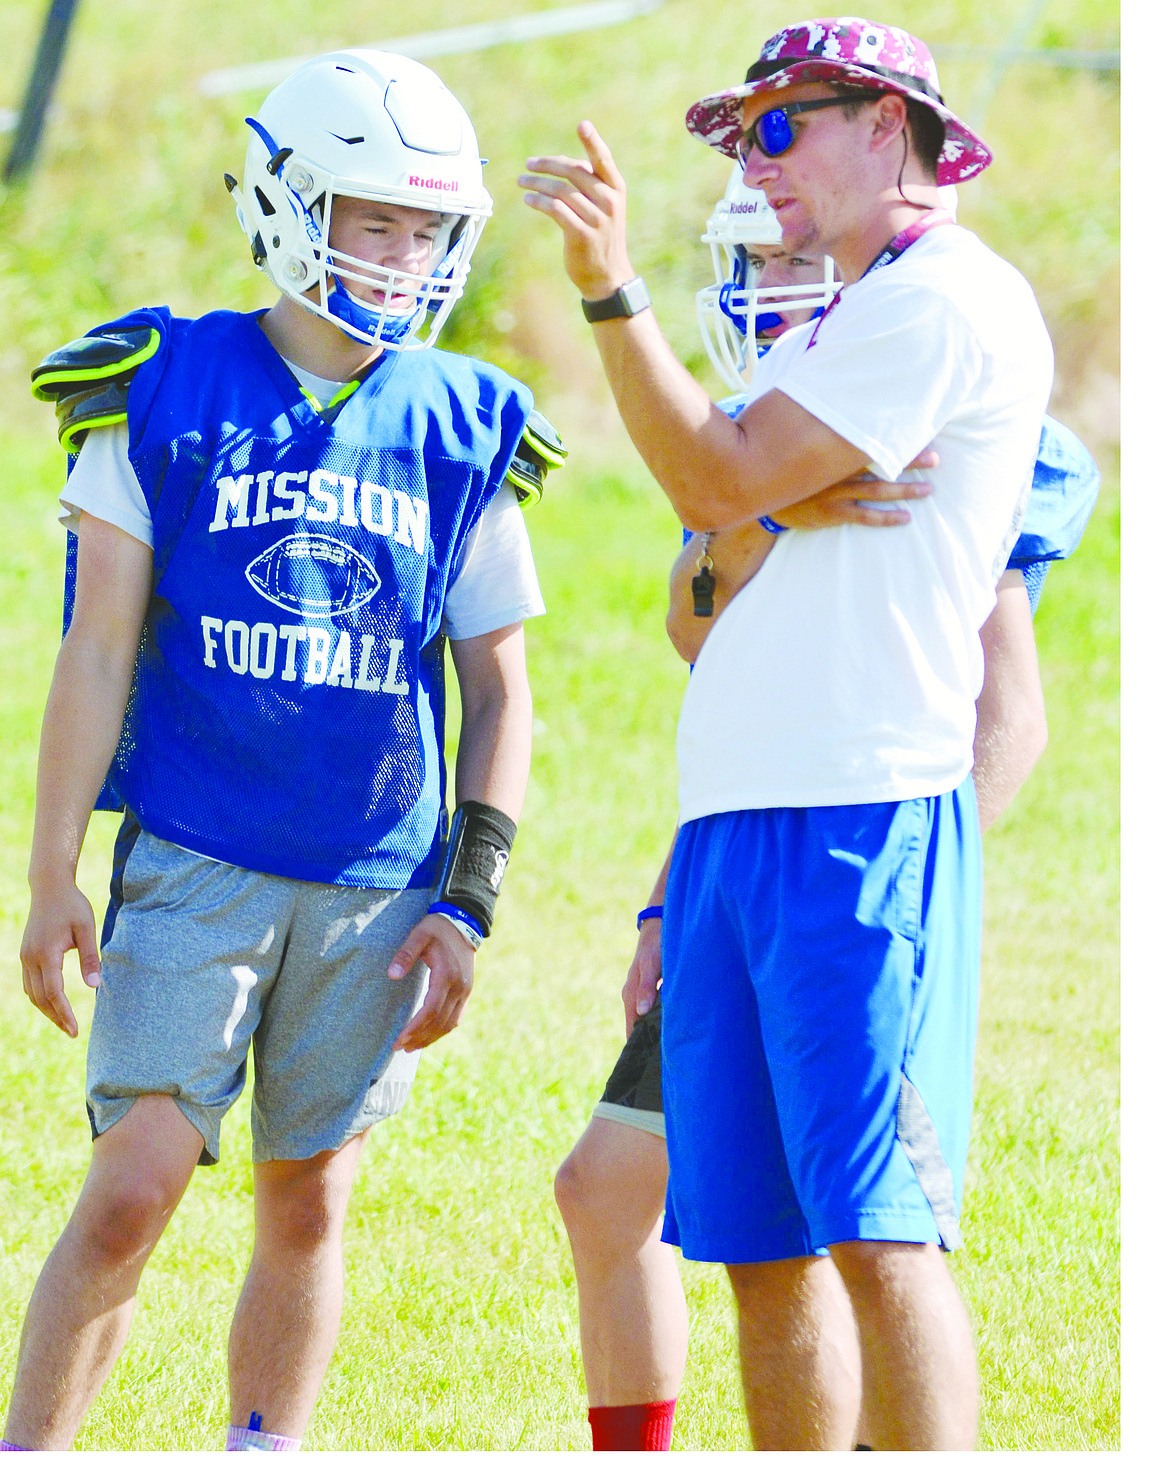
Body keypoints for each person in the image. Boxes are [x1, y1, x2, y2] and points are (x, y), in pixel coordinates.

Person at [3, 49, 563, 1453]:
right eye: (372, 217)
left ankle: (265, 1449)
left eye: (426, 227)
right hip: (198, 854)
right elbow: (96, 652)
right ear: (286, 200)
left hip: (377, 879)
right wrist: (52, 870)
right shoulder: (166, 382)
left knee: (308, 1196)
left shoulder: (461, 421)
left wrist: (469, 901)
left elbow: (499, 691)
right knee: (135, 1183)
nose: (401, 254)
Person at [521, 17, 1056, 1449]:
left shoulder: (937, 296)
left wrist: (609, 291)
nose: (749, 170)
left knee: (880, 1237)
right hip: (736, 823)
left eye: (776, 130)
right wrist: (750, 507)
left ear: (887, 128)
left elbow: (705, 478)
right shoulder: (827, 318)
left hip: (856, 814)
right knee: (754, 1246)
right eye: (732, 138)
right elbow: (694, 606)